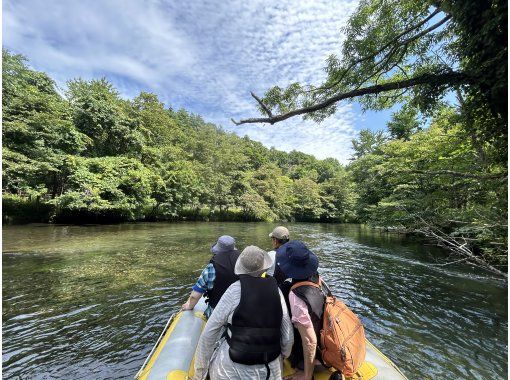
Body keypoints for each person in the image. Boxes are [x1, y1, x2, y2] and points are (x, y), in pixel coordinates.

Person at [193, 246, 294, 380]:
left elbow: (209, 333)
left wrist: (200, 373)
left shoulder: (234, 290)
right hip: (269, 369)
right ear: (264, 268)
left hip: (231, 369)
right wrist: (282, 355)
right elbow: (288, 337)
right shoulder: (277, 291)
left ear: (241, 267)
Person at [275, 240, 323, 380]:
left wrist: (306, 375)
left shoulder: (296, 296)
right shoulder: (318, 279)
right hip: (322, 345)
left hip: (305, 355)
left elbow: (309, 340)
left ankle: (306, 371)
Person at [182, 235, 240, 318]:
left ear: (217, 251)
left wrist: (189, 306)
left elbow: (195, 295)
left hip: (218, 313)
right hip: (240, 311)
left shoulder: (211, 267)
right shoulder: (244, 263)